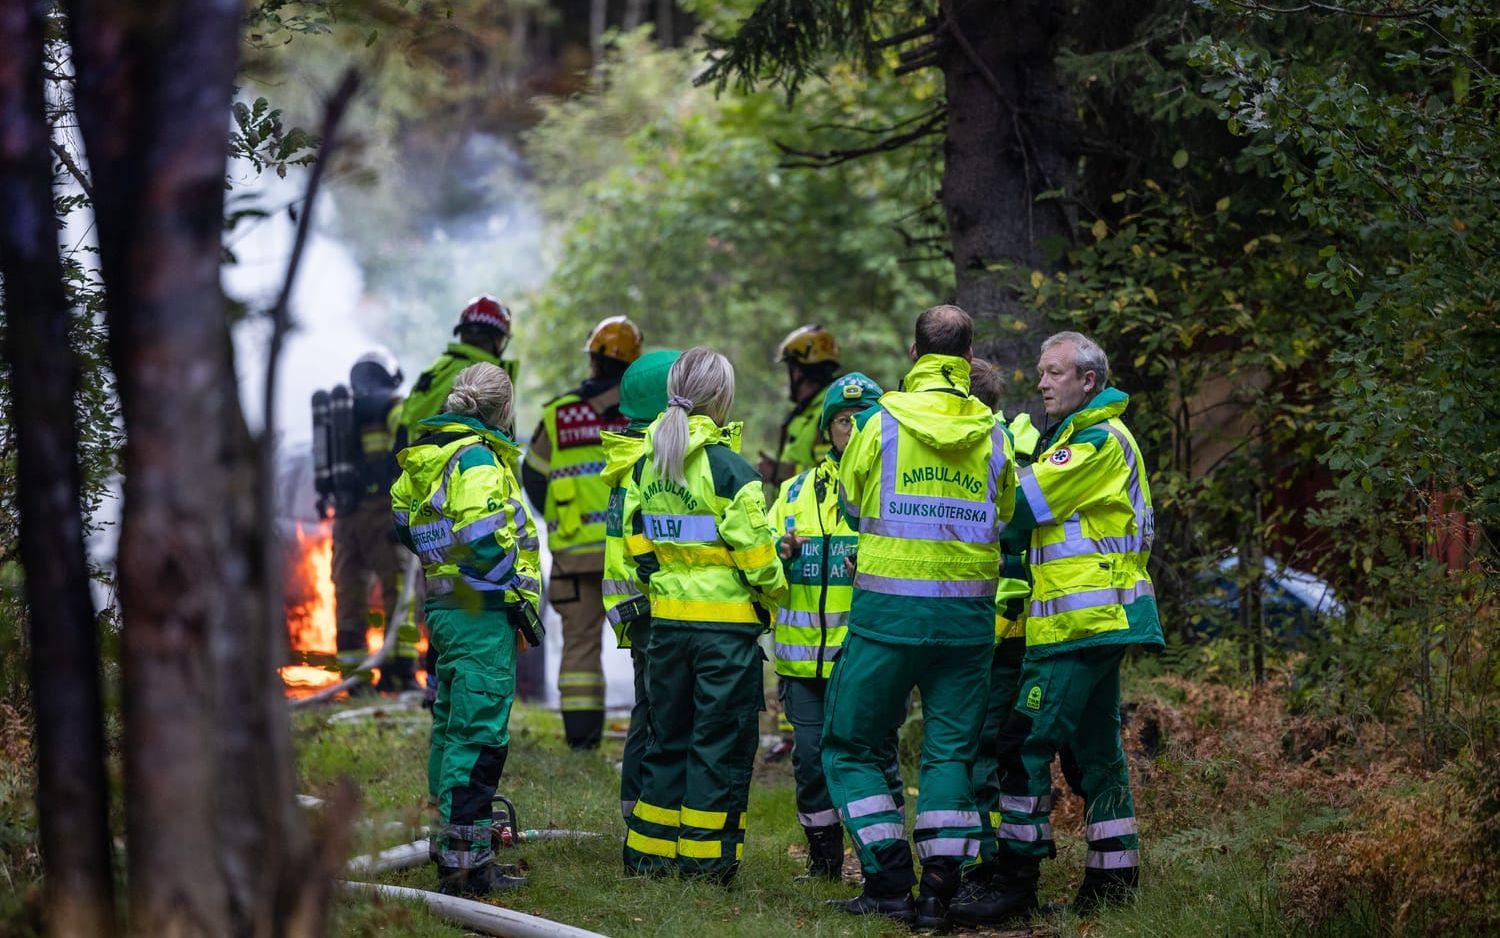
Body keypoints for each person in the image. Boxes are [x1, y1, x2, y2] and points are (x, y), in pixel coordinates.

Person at [822, 305, 1017, 929]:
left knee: (850, 744)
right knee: (949, 755)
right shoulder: (993, 432)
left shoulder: (879, 425)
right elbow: (1006, 511)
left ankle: (885, 878)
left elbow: (854, 497)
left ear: (914, 355)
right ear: (967, 359)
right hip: (965, 624)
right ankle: (937, 889)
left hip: (887, 617)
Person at [964, 331, 1164, 924]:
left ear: (1089, 382)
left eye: (1056, 373)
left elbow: (1017, 510)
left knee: (1022, 744)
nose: (1043, 383)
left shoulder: (1095, 442)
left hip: (1085, 624)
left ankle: (1015, 885)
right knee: (1098, 753)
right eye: (1041, 372)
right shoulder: (1084, 437)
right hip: (1094, 623)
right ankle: (1114, 879)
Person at [622, 347, 787, 884]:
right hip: (723, 635)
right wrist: (774, 593)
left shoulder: (650, 459)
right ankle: (705, 863)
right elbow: (757, 557)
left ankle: (648, 855)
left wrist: (663, 579)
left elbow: (635, 540)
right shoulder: (730, 469)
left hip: (667, 628)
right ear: (722, 398)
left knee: (667, 739)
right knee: (716, 747)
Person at [390, 362, 541, 897]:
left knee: (451, 729)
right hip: (481, 616)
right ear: (503, 409)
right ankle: (467, 866)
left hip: (447, 611)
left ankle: (447, 845)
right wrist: (515, 593)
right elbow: (482, 539)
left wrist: (442, 562)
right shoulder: (476, 458)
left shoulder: (428, 457)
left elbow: (405, 523)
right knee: (479, 738)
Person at [766, 371, 905, 882]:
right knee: (809, 761)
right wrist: (779, 555)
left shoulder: (891, 489)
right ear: (828, 428)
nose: (851, 427)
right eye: (842, 420)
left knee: (875, 758)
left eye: (862, 418)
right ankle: (823, 861)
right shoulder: (795, 490)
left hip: (865, 655)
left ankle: (884, 865)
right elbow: (763, 565)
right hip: (802, 662)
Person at [949, 359, 1043, 923]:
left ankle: (991, 869)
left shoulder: (987, 446)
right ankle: (1003, 864)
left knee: (981, 748)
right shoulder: (1027, 442)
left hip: (990, 625)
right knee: (1000, 748)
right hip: (1019, 623)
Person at [522, 315, 643, 749]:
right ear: (633, 364)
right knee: (650, 646)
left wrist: (559, 519)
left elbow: (533, 477)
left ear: (592, 360)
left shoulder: (559, 416)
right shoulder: (644, 413)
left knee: (578, 650)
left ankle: (581, 743)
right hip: (633, 556)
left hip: (574, 555)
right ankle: (654, 736)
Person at [600, 348, 681, 819]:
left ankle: (639, 809)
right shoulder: (649, 463)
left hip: (638, 606)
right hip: (653, 606)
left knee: (648, 707)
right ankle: (646, 813)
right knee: (658, 714)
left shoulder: (630, 455)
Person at [331, 349, 415, 691]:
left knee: (349, 596)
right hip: (383, 513)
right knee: (400, 593)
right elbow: (410, 451)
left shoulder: (338, 412)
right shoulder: (394, 404)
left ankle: (354, 679)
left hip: (345, 518)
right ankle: (399, 674)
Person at [758, 324, 842, 489]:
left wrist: (779, 471)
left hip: (813, 514)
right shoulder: (809, 411)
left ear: (797, 372)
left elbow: (832, 477)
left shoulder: (829, 413)